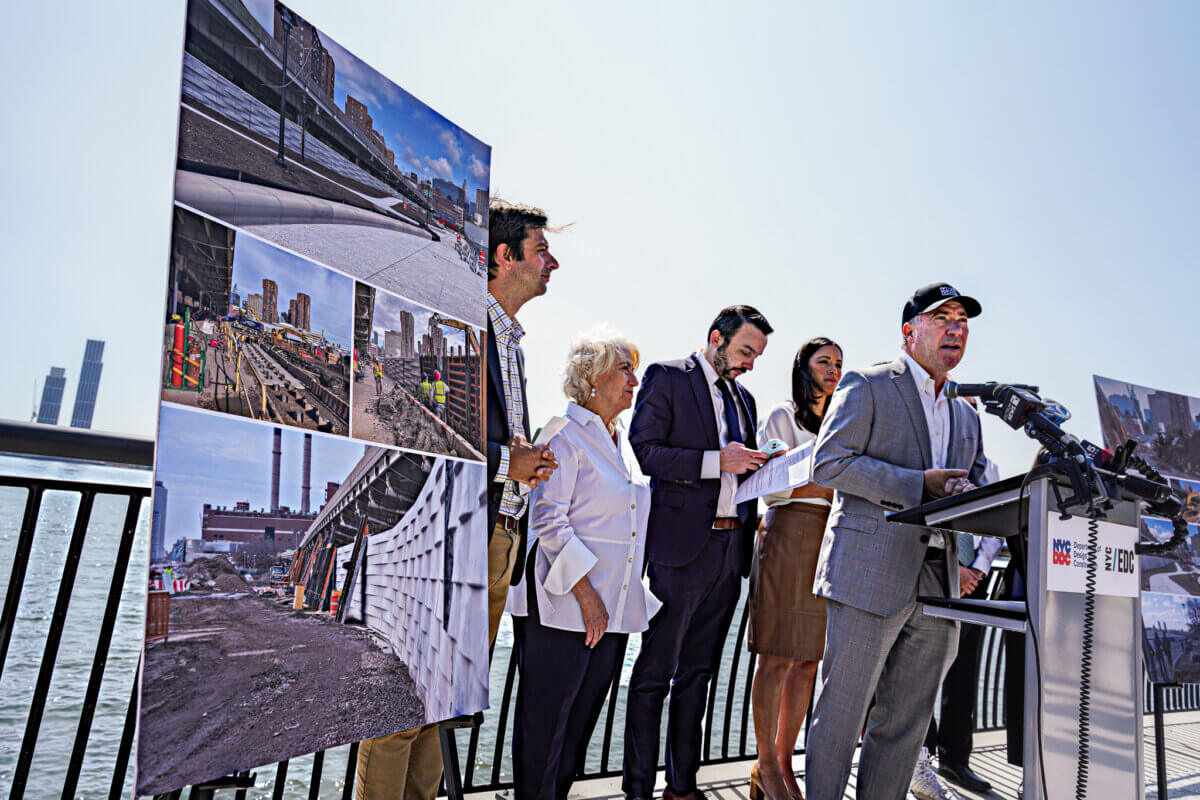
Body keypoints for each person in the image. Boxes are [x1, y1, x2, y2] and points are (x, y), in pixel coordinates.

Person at [354, 199, 560, 800]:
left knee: (443, 704)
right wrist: (505, 461)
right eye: (542, 251)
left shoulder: (511, 344)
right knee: (399, 708)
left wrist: (522, 463)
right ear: (504, 256)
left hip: (497, 538)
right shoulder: (456, 329)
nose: (554, 263)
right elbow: (418, 426)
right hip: (447, 535)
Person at [803, 283, 990, 800]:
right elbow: (830, 463)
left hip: (938, 583)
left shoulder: (967, 413)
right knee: (839, 721)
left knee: (905, 728)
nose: (955, 328)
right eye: (942, 317)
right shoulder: (867, 384)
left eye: (963, 321)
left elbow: (964, 484)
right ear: (910, 331)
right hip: (869, 572)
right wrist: (918, 485)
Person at [623, 305, 773, 800]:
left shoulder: (745, 400)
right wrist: (717, 461)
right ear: (716, 338)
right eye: (745, 351)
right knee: (653, 677)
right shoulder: (666, 377)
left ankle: (682, 787)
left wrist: (762, 465)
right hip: (680, 553)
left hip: (730, 553)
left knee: (699, 676)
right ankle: (639, 789)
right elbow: (645, 451)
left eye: (757, 355)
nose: (750, 363)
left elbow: (738, 470)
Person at [509, 328, 662, 800]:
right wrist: (588, 596)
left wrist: (609, 602)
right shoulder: (564, 434)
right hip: (564, 607)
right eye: (624, 368)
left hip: (609, 614)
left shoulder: (622, 444)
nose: (635, 380)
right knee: (545, 726)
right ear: (591, 377)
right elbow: (548, 520)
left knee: (577, 729)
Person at [747, 338, 843, 800]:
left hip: (830, 540)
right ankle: (764, 765)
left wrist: (823, 484)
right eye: (824, 360)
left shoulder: (842, 422)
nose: (833, 369)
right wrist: (830, 485)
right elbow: (777, 485)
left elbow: (823, 482)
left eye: (839, 363)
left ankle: (784, 763)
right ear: (802, 366)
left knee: (808, 660)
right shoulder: (781, 415)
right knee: (777, 654)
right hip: (788, 535)